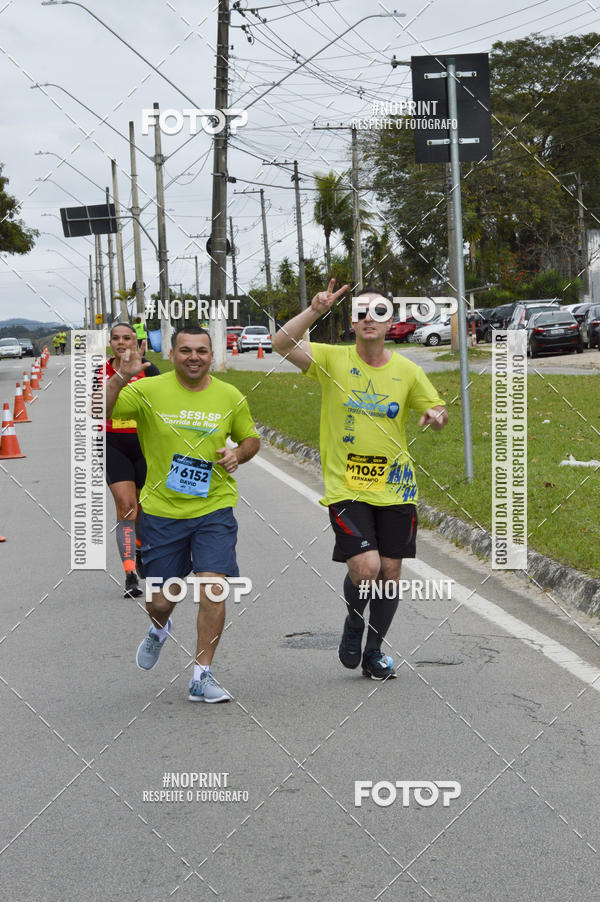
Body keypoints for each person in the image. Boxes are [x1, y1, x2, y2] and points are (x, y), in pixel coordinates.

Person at [273, 281, 448, 681]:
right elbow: (281, 344)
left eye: (380, 312)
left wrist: (437, 417)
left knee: (390, 571)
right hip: (347, 486)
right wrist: (315, 309)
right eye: (362, 312)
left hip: (396, 487)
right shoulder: (332, 360)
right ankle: (354, 622)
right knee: (366, 567)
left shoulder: (408, 370)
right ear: (352, 323)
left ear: (392, 324)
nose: (370, 318)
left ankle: (374, 651)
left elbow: (437, 410)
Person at [105, 324, 260, 703]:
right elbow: (103, 409)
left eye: (202, 351)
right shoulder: (146, 390)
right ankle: (159, 629)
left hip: (214, 508)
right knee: (161, 599)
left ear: (211, 355)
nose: (194, 357)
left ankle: (201, 676)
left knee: (214, 587)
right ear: (172, 355)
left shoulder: (229, 395)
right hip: (162, 512)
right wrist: (122, 375)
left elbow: (251, 438)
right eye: (186, 350)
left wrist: (238, 454)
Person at [94, 323, 160, 598]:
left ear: (137, 341)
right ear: (110, 342)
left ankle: (142, 548)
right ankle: (130, 574)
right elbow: (94, 408)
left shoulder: (149, 369)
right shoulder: (99, 371)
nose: (121, 342)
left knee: (144, 506)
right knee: (126, 506)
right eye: (116, 338)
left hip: (145, 444)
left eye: (127, 338)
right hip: (112, 443)